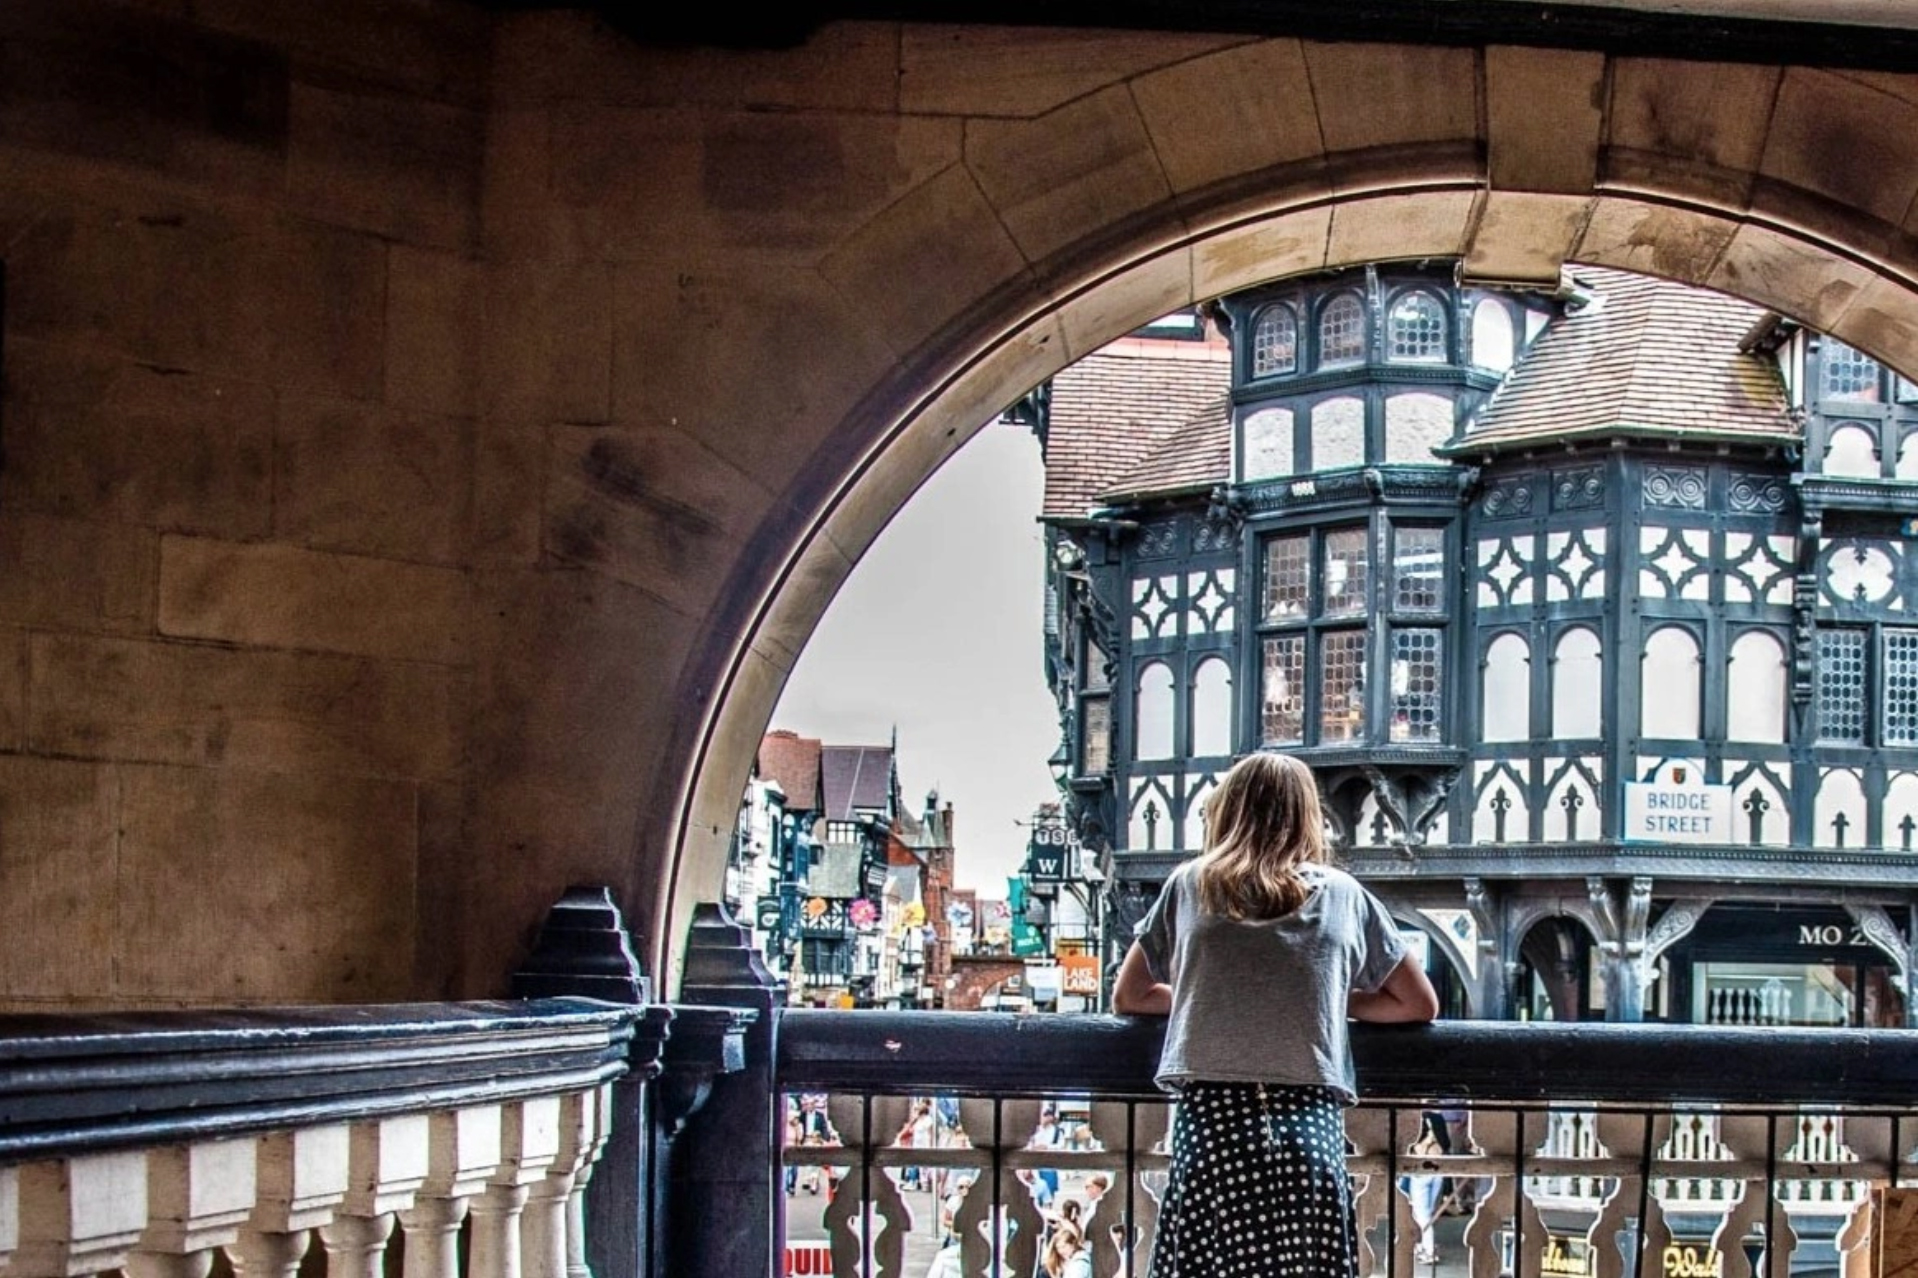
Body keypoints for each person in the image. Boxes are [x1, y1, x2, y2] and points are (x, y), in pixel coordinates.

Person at [1111, 751, 1439, 1278]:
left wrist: (1209, 993)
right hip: (1307, 1125)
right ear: (1308, 815)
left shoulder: (1190, 885)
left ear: (1228, 810)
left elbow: (1130, 995)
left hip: (1212, 1127)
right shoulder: (1344, 895)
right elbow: (1417, 1003)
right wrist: (1321, 997)